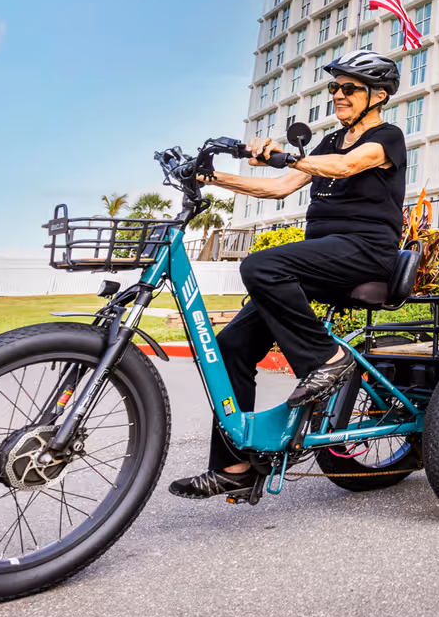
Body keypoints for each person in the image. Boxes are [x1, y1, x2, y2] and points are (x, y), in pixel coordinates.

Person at [165, 51, 407, 500]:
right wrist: (213, 177)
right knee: (232, 345)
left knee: (260, 264)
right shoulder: (329, 143)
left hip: (366, 252)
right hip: (324, 255)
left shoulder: (387, 137)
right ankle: (235, 466)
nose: (337, 94)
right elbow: (277, 187)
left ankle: (327, 359)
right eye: (334, 87)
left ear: (378, 96)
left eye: (348, 88)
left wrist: (284, 157)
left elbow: (348, 166)